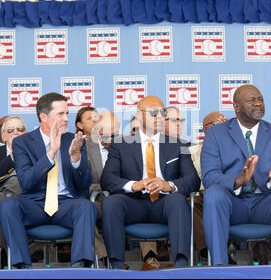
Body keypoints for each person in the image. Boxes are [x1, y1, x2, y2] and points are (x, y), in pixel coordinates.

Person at [201, 84, 271, 266]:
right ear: (236, 106)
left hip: (266, 204)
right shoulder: (215, 134)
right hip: (233, 205)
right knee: (213, 194)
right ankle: (219, 268)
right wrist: (238, 180)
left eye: (260, 99)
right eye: (252, 100)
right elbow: (210, 177)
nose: (258, 103)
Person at [0, 92, 96, 269]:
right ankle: (22, 267)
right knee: (7, 205)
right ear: (43, 117)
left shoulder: (74, 140)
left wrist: (75, 159)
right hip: (34, 204)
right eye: (60, 114)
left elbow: (84, 184)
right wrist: (50, 154)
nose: (66, 118)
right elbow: (26, 182)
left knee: (86, 206)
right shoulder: (23, 142)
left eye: (67, 113)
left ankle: (80, 268)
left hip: (66, 204)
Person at [100, 95, 200, 269]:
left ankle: (182, 266)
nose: (159, 117)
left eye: (162, 113)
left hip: (164, 204)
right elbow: (107, 179)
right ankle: (115, 267)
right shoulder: (121, 144)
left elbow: (192, 180)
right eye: (154, 113)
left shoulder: (178, 144)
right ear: (139, 116)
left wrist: (168, 185)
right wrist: (133, 185)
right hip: (133, 203)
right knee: (111, 202)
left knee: (178, 200)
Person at [0, 116, 26, 268]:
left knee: (7, 197)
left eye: (20, 129)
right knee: (4, 199)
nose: (16, 132)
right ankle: (12, 257)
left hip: (27, 196)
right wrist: (12, 156)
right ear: (2, 136)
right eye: (10, 130)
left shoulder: (36, 153)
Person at [189, 111, 227, 261]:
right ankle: (207, 250)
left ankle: (219, 251)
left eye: (226, 123)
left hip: (228, 196)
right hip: (201, 196)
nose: (223, 127)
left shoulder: (236, 149)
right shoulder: (192, 151)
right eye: (218, 124)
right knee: (190, 203)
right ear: (205, 129)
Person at [85, 110, 120, 264]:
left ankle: (150, 257)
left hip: (123, 199)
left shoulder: (125, 145)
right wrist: (111, 184)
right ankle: (104, 258)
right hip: (97, 200)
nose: (111, 139)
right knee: (84, 211)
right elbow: (82, 184)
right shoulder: (84, 148)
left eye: (115, 135)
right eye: (106, 135)